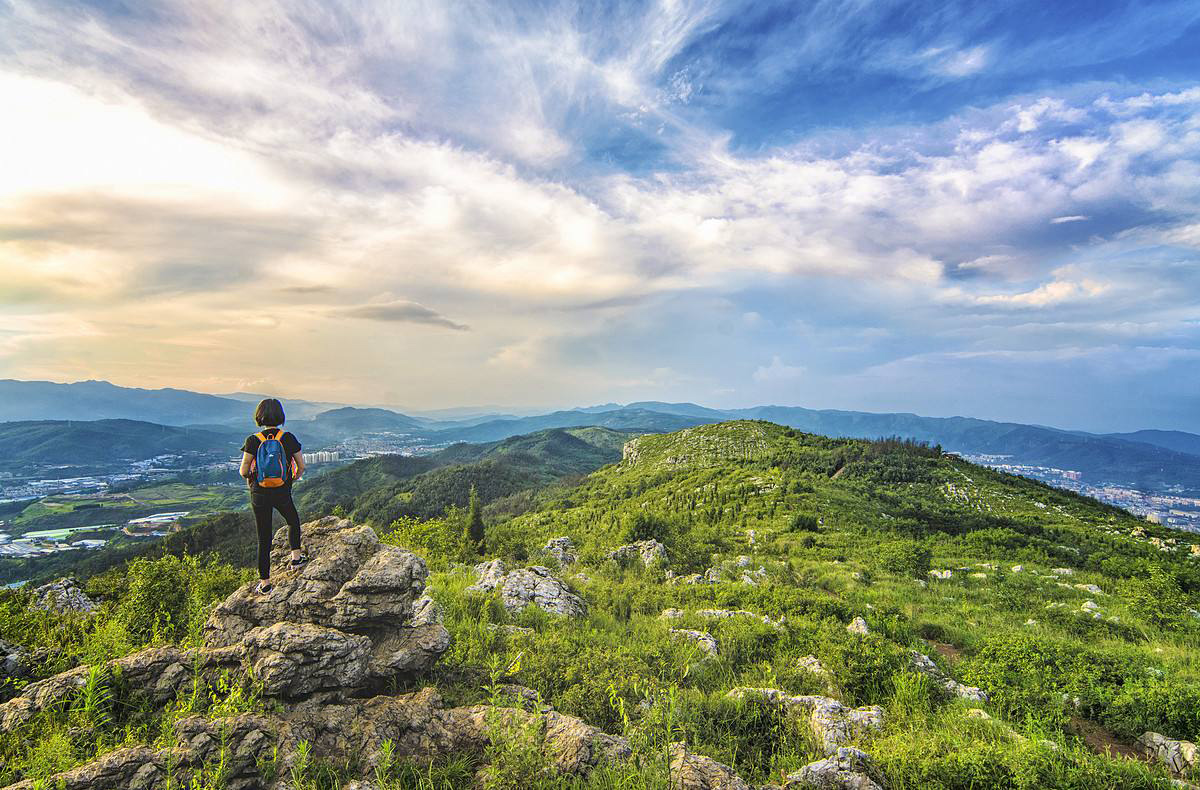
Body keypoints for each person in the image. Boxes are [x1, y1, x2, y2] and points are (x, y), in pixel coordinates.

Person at [238, 398, 307, 594]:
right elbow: (301, 466)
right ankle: (296, 558)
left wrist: (254, 478)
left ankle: (266, 583)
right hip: (282, 491)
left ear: (259, 416)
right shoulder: (288, 438)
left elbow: (243, 471)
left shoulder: (253, 440)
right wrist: (291, 479)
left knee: (264, 536)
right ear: (280, 416)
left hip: (259, 493)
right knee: (293, 520)